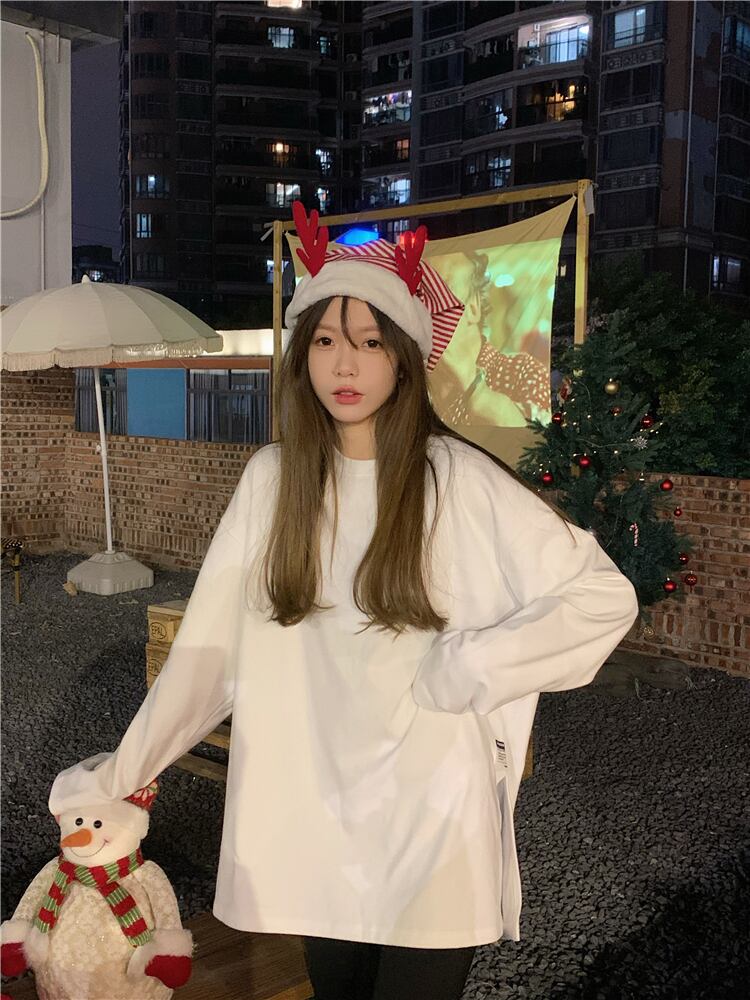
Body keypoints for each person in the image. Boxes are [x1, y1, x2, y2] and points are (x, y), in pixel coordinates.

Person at [48, 203, 639, 1000]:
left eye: (368, 342)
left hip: (434, 821)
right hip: (316, 818)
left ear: (403, 357)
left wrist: (474, 666)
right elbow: (208, 656)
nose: (344, 364)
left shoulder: (455, 479)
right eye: (325, 341)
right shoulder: (273, 481)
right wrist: (118, 779)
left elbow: (600, 597)